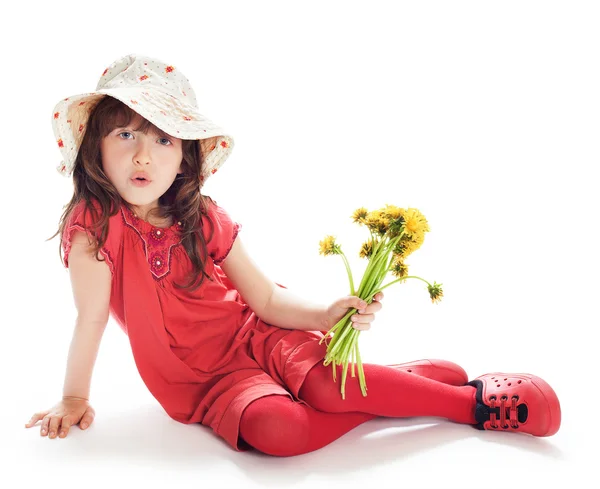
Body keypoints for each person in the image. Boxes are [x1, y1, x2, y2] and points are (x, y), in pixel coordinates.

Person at [25, 53, 561, 457]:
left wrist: (325, 314)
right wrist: (74, 398)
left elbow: (263, 298)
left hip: (258, 335)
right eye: (125, 134)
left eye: (164, 140)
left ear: (186, 160)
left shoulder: (203, 217)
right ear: (95, 147)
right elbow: (90, 318)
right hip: (204, 383)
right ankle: (401, 383)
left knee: (329, 387)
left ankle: (473, 404)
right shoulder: (94, 231)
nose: (144, 153)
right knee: (279, 431)